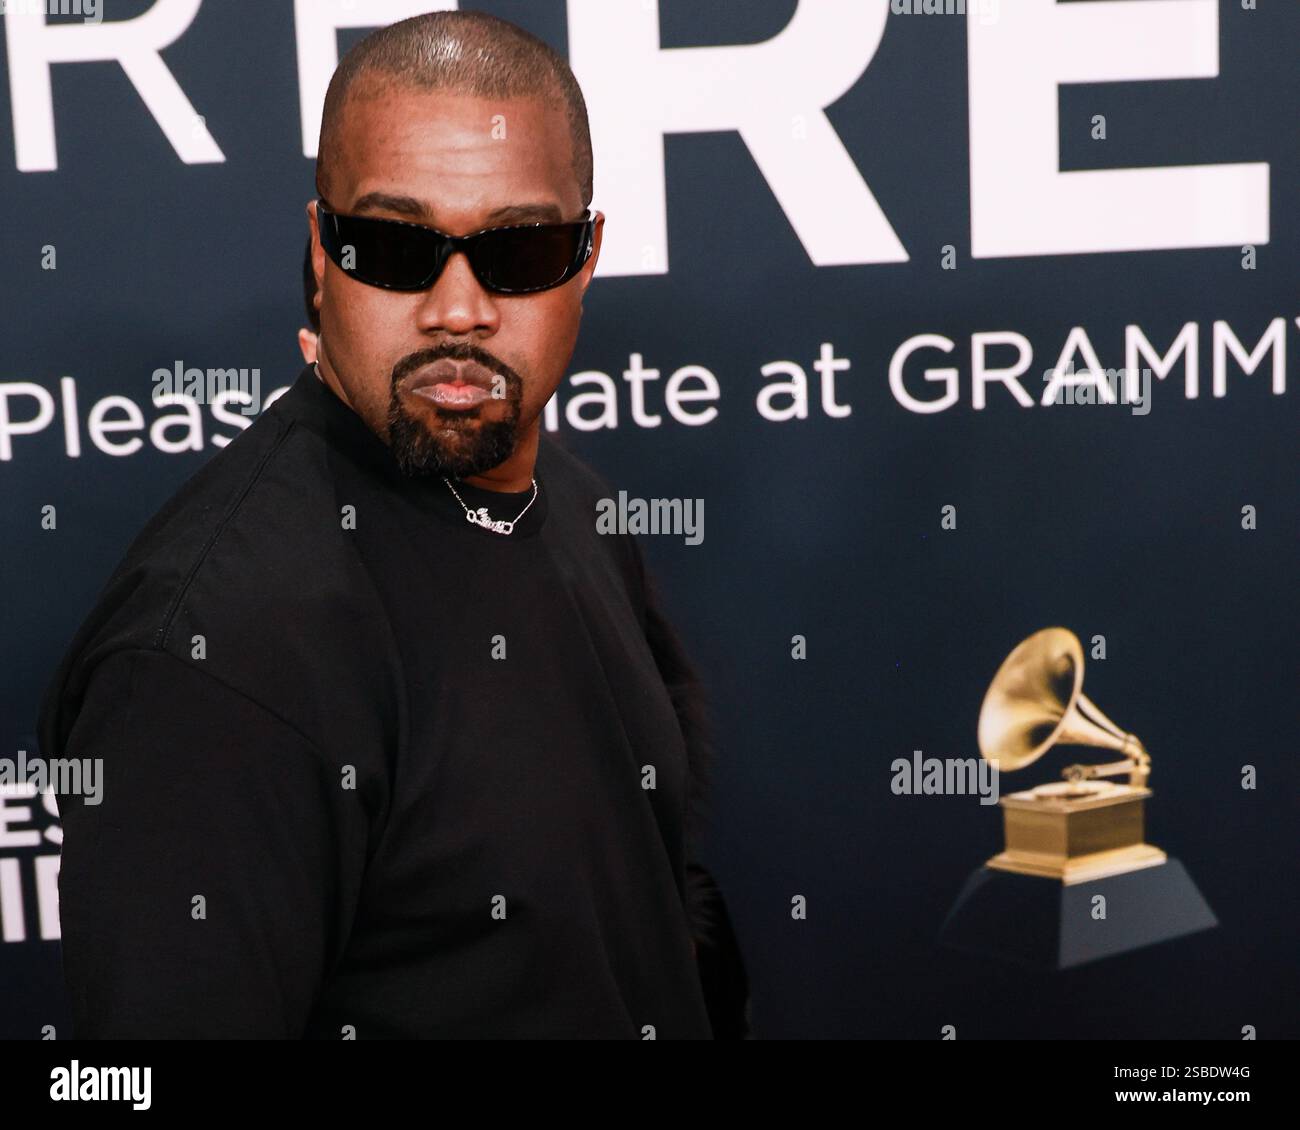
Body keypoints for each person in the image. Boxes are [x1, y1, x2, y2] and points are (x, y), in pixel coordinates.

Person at [39, 9, 747, 1040]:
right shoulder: (219, 649)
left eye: (519, 248)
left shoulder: (581, 507)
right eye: (393, 245)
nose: (457, 308)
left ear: (586, 257)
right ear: (324, 252)